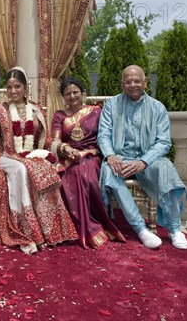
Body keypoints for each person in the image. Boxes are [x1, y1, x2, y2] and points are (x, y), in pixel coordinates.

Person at [0, 67, 78, 254]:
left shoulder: (36, 110)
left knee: (44, 167)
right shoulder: (0, 110)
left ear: (25, 88)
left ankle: (49, 231)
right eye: (9, 87)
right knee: (22, 169)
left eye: (17, 86)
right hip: (7, 157)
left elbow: (45, 141)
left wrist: (63, 147)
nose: (13, 91)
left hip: (31, 156)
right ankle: (23, 228)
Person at [97, 65, 187, 250]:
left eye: (137, 81)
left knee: (165, 169)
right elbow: (103, 134)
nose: (133, 85)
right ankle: (141, 229)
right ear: (122, 84)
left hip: (149, 159)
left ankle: (174, 228)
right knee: (109, 170)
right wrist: (110, 155)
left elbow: (163, 142)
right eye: (128, 81)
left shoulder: (157, 108)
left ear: (145, 82)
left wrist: (144, 161)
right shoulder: (111, 105)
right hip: (121, 158)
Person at [51, 77, 125, 249]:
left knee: (84, 173)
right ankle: (72, 227)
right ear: (63, 97)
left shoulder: (96, 111)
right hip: (69, 156)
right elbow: (54, 141)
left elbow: (106, 135)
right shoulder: (60, 115)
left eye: (75, 92)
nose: (72, 96)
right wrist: (65, 149)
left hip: (91, 155)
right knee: (63, 177)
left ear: (83, 93)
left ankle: (92, 224)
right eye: (67, 93)